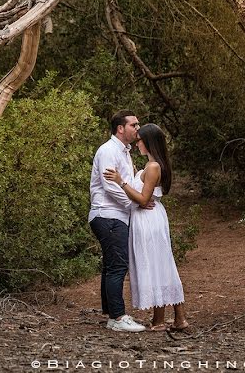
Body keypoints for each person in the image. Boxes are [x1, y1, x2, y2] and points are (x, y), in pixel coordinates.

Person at [103, 123, 189, 332]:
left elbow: (143, 199)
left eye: (140, 139)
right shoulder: (150, 165)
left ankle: (166, 319)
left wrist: (121, 182)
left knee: (157, 264)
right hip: (146, 218)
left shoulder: (153, 167)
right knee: (160, 264)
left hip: (148, 219)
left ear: (149, 141)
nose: (137, 142)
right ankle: (175, 318)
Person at [88, 110, 147, 332]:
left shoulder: (124, 152)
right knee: (118, 266)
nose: (137, 128)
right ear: (120, 128)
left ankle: (111, 312)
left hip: (115, 215)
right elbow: (110, 186)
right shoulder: (108, 151)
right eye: (134, 125)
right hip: (108, 215)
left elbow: (126, 182)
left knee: (112, 265)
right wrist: (136, 204)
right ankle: (117, 318)